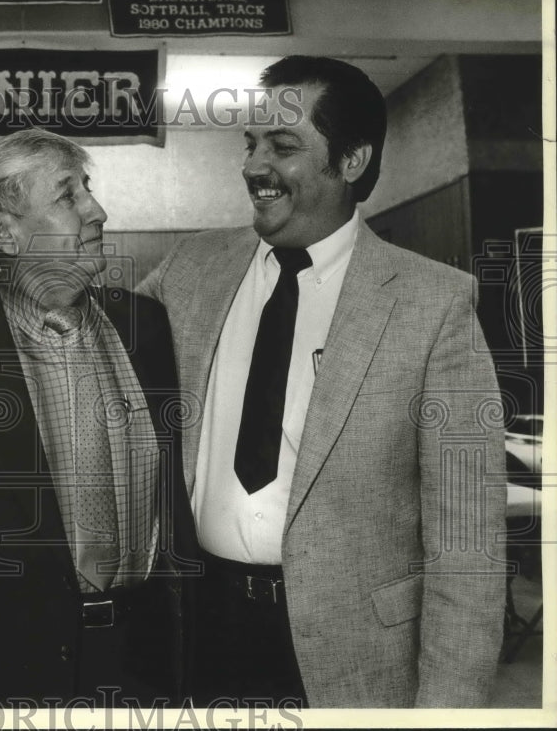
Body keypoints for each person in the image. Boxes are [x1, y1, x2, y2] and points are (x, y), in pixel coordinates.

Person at [136, 56, 506, 707]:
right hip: (201, 635)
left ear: (353, 161)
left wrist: (447, 715)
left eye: (283, 146)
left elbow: (466, 549)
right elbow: (89, 347)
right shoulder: (189, 269)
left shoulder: (432, 305)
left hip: (356, 662)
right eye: (251, 144)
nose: (254, 166)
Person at [0, 129, 198, 707]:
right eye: (68, 196)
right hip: (17, 669)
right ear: (3, 231)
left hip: (150, 661)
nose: (98, 211)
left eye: (88, 189)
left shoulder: (148, 328)